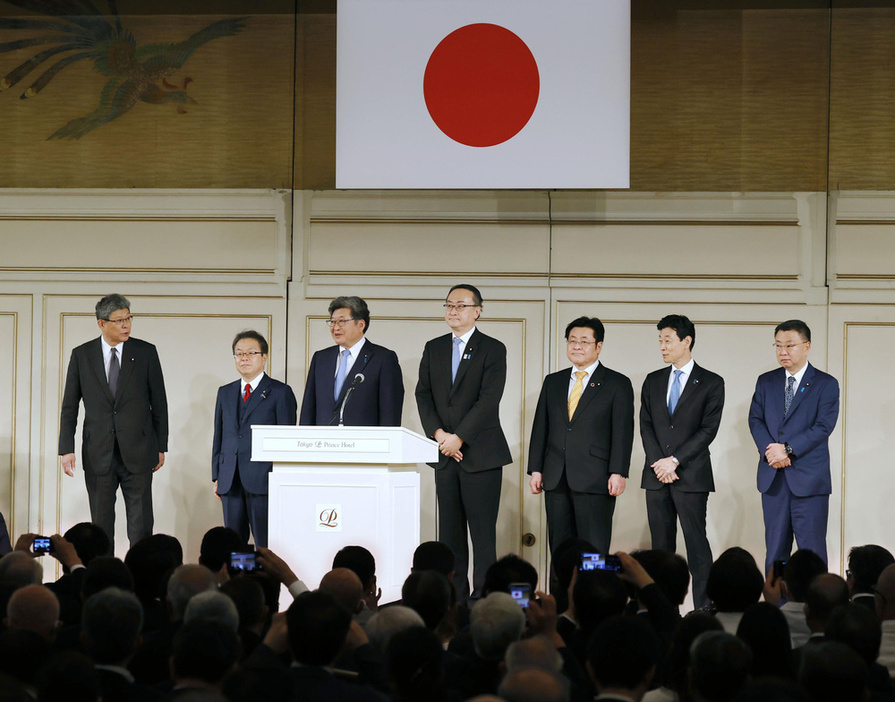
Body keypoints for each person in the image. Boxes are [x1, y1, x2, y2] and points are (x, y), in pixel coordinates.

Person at [415, 284, 512, 602]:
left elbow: (488, 400)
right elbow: (423, 394)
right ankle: (454, 602)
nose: (452, 311)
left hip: (480, 455)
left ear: (477, 311)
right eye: (448, 305)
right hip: (444, 453)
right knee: (449, 538)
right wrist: (440, 435)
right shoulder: (434, 347)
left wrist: (460, 437)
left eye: (460, 305)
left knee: (483, 537)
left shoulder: (492, 348)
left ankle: (484, 601)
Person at [59, 293, 168, 548]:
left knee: (141, 528)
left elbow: (159, 404)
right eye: (118, 320)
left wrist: (161, 446)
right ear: (101, 323)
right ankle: (103, 582)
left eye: (128, 318)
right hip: (99, 454)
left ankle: (141, 583)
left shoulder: (146, 352)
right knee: (101, 530)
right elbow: (69, 407)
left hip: (139, 454)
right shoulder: (81, 355)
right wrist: (66, 449)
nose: (126, 325)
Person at [528, 316, 634, 554]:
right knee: (560, 548)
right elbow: (540, 428)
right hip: (555, 477)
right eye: (572, 340)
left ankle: (594, 591)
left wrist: (618, 472)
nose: (577, 346)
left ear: (599, 346)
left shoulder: (617, 383)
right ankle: (560, 592)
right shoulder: (553, 381)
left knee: (593, 548)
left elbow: (622, 433)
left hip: (595, 478)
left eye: (584, 341)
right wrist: (536, 468)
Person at [639, 315, 724, 608]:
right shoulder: (653, 380)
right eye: (660, 340)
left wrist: (674, 461)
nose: (662, 346)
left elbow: (708, 430)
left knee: (696, 546)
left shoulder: (712, 382)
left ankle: (704, 609)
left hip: (691, 474)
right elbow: (646, 425)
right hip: (656, 475)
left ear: (686, 341)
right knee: (660, 550)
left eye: (667, 340)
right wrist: (659, 464)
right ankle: (662, 610)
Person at [748, 319, 840, 573]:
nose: (783, 352)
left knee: (811, 553)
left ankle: (816, 607)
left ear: (807, 346)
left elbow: (823, 426)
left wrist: (787, 449)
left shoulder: (825, 384)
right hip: (774, 479)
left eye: (789, 345)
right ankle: (777, 606)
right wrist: (772, 451)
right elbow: (755, 419)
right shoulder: (766, 382)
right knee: (776, 551)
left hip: (809, 481)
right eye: (778, 346)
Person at [212, 330, 297, 548]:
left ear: (264, 357)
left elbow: (287, 440)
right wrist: (217, 475)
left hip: (264, 480)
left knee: (265, 542)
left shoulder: (280, 392)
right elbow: (219, 436)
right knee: (234, 543)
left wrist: (282, 478)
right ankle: (240, 579)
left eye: (251, 353)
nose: (244, 358)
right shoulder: (225, 392)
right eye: (239, 354)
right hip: (230, 479)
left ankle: (265, 581)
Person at [300, 296, 403, 426]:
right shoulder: (321, 358)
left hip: (364, 443)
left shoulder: (383, 359)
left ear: (360, 325)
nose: (335, 328)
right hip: (323, 442)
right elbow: (308, 409)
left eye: (342, 321)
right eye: (332, 322)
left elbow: (390, 413)